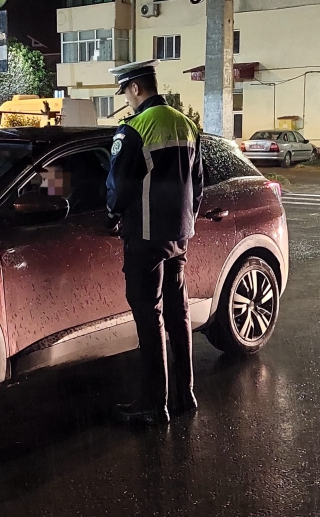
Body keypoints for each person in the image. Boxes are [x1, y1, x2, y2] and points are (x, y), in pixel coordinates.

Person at [105, 59, 204, 426]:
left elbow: (118, 187)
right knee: (179, 314)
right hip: (179, 235)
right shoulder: (186, 124)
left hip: (145, 238)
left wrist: (111, 216)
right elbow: (197, 183)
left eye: (125, 92)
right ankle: (185, 395)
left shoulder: (134, 129)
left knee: (150, 318)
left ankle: (153, 404)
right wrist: (186, 222)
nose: (126, 99)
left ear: (135, 88)